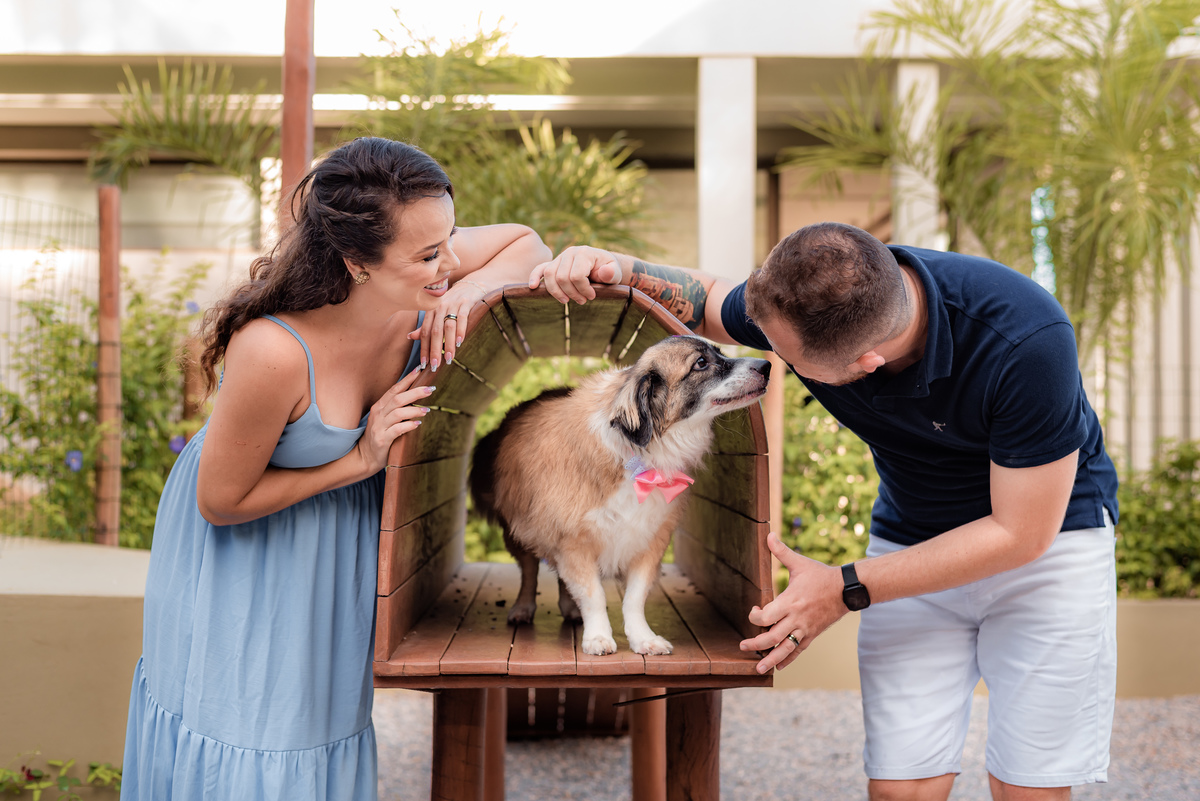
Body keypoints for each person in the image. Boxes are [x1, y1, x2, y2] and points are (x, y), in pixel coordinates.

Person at [530, 222, 1119, 801]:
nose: (762, 358)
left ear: (865, 364)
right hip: (911, 537)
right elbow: (707, 299)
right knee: (901, 784)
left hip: (1049, 550)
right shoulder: (811, 299)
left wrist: (843, 588)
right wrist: (613, 266)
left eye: (781, 355)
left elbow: (1020, 533)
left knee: (1027, 784)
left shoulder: (1026, 341)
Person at [120, 137, 551, 801]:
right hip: (247, 549)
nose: (448, 263)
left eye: (449, 241)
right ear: (356, 262)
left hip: (329, 550)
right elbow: (221, 499)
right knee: (251, 737)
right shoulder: (273, 349)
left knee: (315, 734)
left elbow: (527, 242)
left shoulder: (423, 278)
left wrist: (468, 296)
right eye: (429, 256)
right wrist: (360, 456)